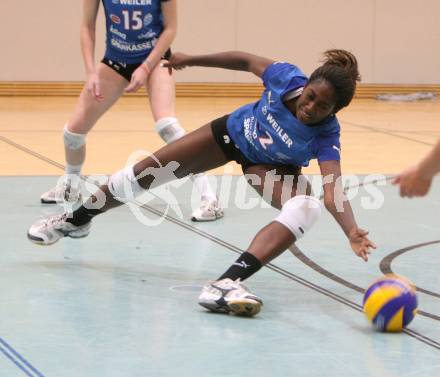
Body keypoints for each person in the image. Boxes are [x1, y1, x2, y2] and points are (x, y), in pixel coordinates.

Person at [28, 49, 376, 316]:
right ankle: (74, 221)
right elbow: (243, 59)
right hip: (228, 134)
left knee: (306, 205)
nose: (310, 107)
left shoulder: (327, 134)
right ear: (306, 84)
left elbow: (333, 190)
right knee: (141, 175)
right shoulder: (285, 77)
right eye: (311, 95)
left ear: (335, 111)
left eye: (323, 106)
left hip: (267, 167)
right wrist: (190, 60)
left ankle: (226, 284)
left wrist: (351, 230)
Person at [40, 0, 223, 222]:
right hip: (115, 61)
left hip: (155, 60)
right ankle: (70, 186)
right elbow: (87, 26)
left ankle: (209, 198)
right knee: (72, 134)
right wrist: (91, 72)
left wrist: (146, 67)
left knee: (167, 125)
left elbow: (170, 29)